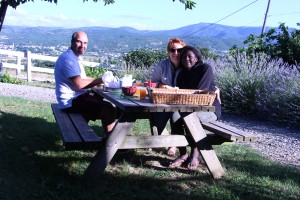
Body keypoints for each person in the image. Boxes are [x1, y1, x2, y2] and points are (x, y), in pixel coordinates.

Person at [168, 45, 221, 170]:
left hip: (209, 109)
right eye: (184, 57)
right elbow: (181, 92)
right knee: (174, 116)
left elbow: (200, 92)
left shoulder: (205, 69)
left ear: (197, 58)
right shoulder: (181, 73)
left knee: (191, 118)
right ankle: (183, 154)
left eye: (190, 57)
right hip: (188, 108)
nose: (186, 59)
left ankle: (195, 153)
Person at [55, 31, 116, 135]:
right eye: (79, 42)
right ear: (72, 42)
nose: (83, 46)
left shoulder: (74, 57)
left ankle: (81, 130)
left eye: (85, 43)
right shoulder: (68, 60)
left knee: (99, 99)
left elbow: (82, 78)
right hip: (70, 103)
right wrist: (101, 80)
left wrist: (99, 80)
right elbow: (80, 84)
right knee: (109, 109)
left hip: (74, 99)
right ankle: (111, 144)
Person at [151, 37, 186, 156]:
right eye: (172, 50)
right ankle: (156, 139)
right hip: (163, 101)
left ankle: (173, 145)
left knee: (175, 117)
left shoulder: (188, 65)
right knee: (158, 119)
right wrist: (162, 85)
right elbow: (152, 83)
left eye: (179, 50)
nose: (176, 53)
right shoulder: (162, 64)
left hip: (182, 102)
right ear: (168, 52)